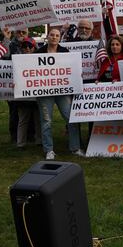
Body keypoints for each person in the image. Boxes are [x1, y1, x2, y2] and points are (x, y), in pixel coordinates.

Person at [35, 28, 83, 160]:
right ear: (48, 37)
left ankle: (75, 147)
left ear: (60, 38)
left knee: (71, 118)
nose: (54, 37)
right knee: (46, 121)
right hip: (44, 92)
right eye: (52, 35)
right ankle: (48, 150)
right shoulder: (38, 52)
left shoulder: (65, 52)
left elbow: (71, 70)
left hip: (63, 91)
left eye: (57, 35)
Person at [15, 38, 41, 149]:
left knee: (39, 120)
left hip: (37, 95)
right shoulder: (16, 60)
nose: (27, 49)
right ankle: (20, 143)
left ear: (34, 48)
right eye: (24, 47)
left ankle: (39, 141)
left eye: (30, 46)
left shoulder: (40, 59)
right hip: (23, 96)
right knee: (23, 120)